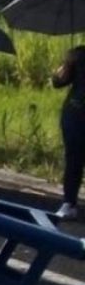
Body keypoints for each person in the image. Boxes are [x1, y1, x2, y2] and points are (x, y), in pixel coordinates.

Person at [52, 45, 85, 220]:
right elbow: (58, 82)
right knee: (74, 159)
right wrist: (66, 65)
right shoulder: (79, 54)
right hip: (76, 113)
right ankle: (69, 202)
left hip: (75, 112)